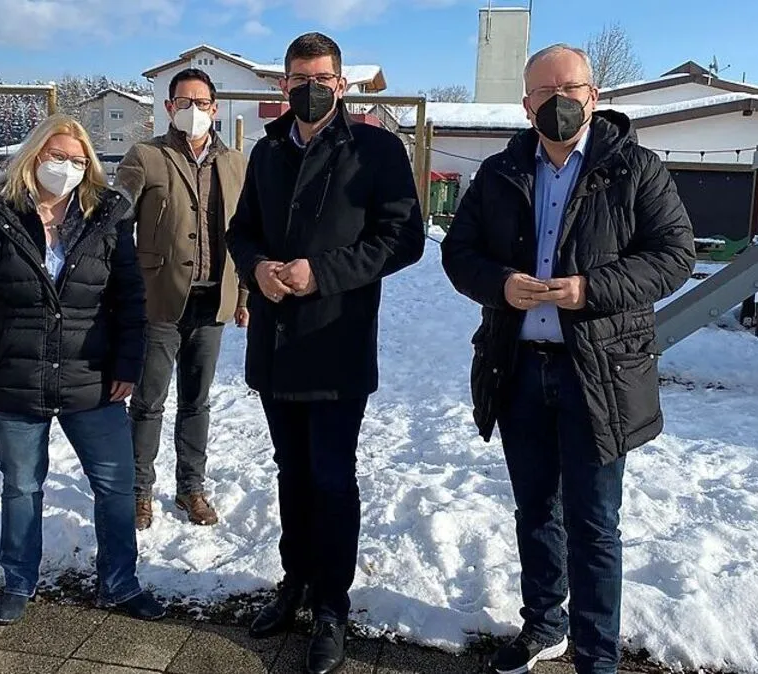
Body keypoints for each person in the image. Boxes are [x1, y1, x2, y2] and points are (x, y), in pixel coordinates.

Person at [440, 44, 695, 674]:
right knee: (535, 511)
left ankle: (597, 656)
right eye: (544, 93)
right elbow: (458, 253)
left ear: (594, 96)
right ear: (526, 105)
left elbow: (674, 256)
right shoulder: (500, 172)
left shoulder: (635, 168)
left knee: (594, 522)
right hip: (519, 369)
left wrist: (591, 289)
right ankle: (545, 624)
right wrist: (500, 284)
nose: (560, 102)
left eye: (571, 89)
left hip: (598, 374)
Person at [226, 31, 425, 674]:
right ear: (283, 84)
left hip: (336, 340)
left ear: (342, 85)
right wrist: (255, 268)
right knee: (291, 472)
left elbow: (404, 238)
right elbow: (241, 231)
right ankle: (296, 581)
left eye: (322, 80)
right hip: (276, 344)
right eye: (298, 79)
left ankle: (332, 606)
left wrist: (324, 273)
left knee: (333, 478)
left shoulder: (375, 149)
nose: (310, 90)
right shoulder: (267, 150)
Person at [0, 114, 167, 626]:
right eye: (57, 157)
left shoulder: (107, 215)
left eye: (77, 160)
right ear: (34, 157)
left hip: (92, 376)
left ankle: (120, 582)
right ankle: (18, 580)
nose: (66, 168)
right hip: (13, 375)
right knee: (22, 485)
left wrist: (128, 364)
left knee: (115, 484)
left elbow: (130, 299)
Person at [115, 68, 250, 530]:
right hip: (159, 300)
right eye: (184, 102)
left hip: (213, 302)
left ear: (215, 107)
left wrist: (244, 294)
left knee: (197, 401)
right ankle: (138, 490)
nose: (194, 110)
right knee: (148, 401)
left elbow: (247, 234)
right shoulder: (146, 156)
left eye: (202, 102)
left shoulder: (236, 163)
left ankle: (191, 486)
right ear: (170, 107)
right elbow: (119, 218)